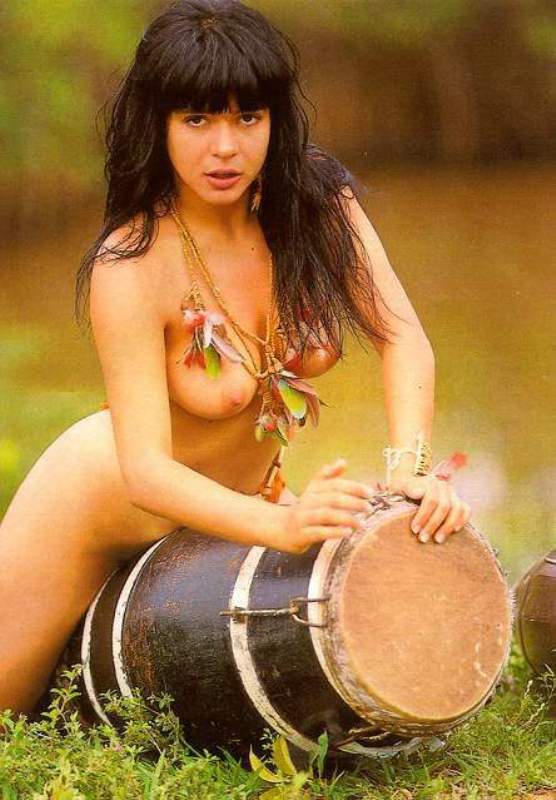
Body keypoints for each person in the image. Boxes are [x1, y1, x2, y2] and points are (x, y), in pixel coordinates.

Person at [0, 0, 470, 719]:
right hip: (96, 507)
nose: (225, 147)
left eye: (247, 117)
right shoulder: (132, 262)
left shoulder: (315, 204)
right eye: (197, 120)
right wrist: (280, 527)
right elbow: (145, 471)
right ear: (157, 123)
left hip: (244, 505)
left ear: (275, 119)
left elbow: (401, 336)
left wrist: (409, 469)